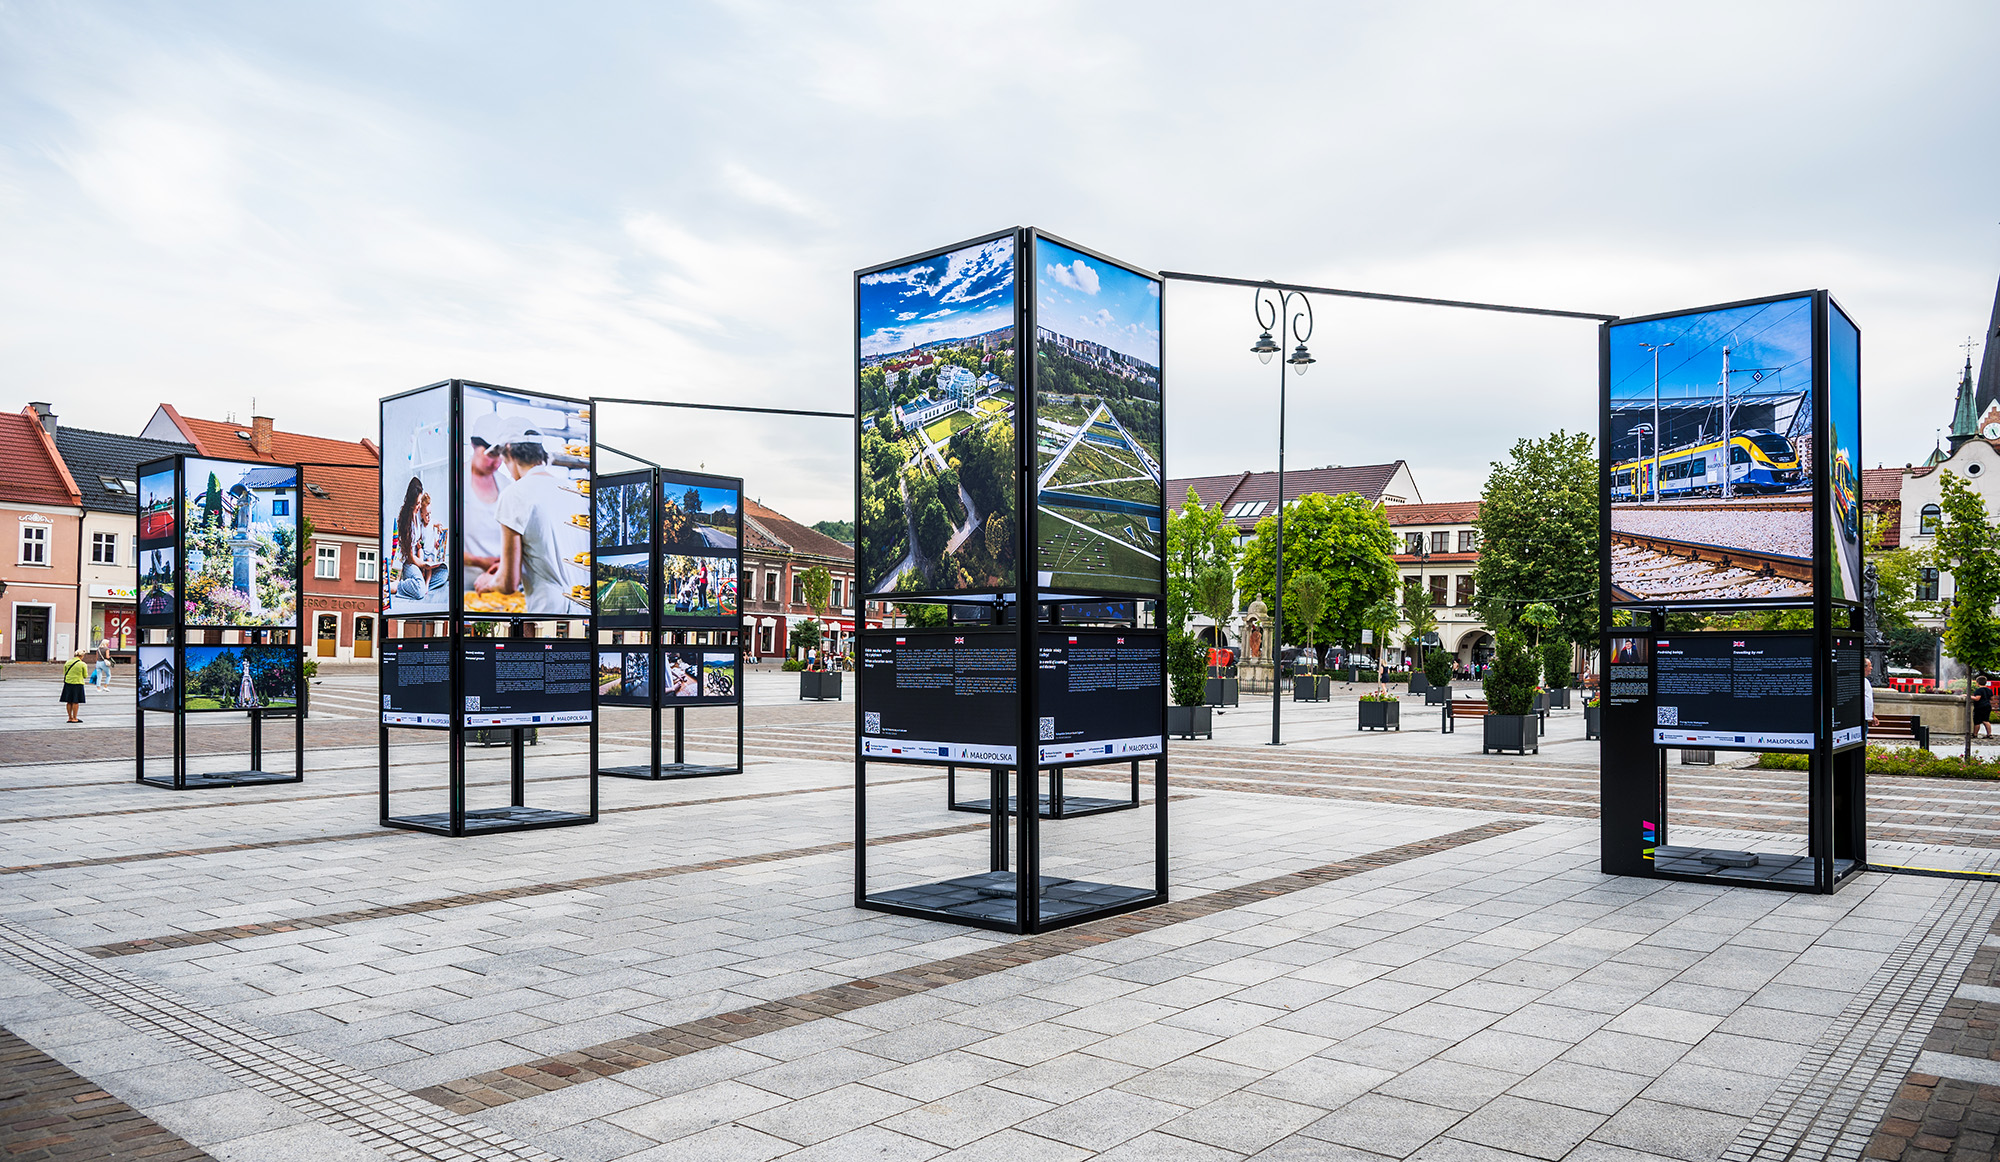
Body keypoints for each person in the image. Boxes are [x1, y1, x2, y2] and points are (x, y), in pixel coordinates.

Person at [481, 429, 588, 615]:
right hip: (584, 610)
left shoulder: (514, 493)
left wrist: (488, 582)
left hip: (549, 612)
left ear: (509, 450)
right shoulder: (573, 492)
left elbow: (508, 582)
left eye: (504, 460)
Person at [395, 477, 447, 602]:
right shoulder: (406, 522)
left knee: (444, 572)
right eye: (417, 503)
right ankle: (399, 586)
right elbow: (410, 556)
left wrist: (437, 527)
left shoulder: (419, 515)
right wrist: (424, 565)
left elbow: (428, 523)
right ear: (412, 502)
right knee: (419, 592)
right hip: (411, 563)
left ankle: (422, 584)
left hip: (421, 559)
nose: (419, 506)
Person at [60, 650, 92, 722]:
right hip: (78, 683)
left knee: (68, 701)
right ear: (82, 656)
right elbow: (85, 675)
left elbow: (65, 672)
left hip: (68, 683)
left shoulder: (68, 662)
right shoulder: (82, 664)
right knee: (75, 701)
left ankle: (70, 717)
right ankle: (75, 718)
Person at [1975, 676, 1993, 740]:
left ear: (1977, 683)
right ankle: (1989, 734)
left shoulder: (1979, 690)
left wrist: (1969, 696)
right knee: (1986, 720)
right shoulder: (1989, 690)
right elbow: (1991, 698)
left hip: (1980, 706)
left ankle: (1975, 734)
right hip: (1987, 706)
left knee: (1977, 721)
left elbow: (1977, 698)